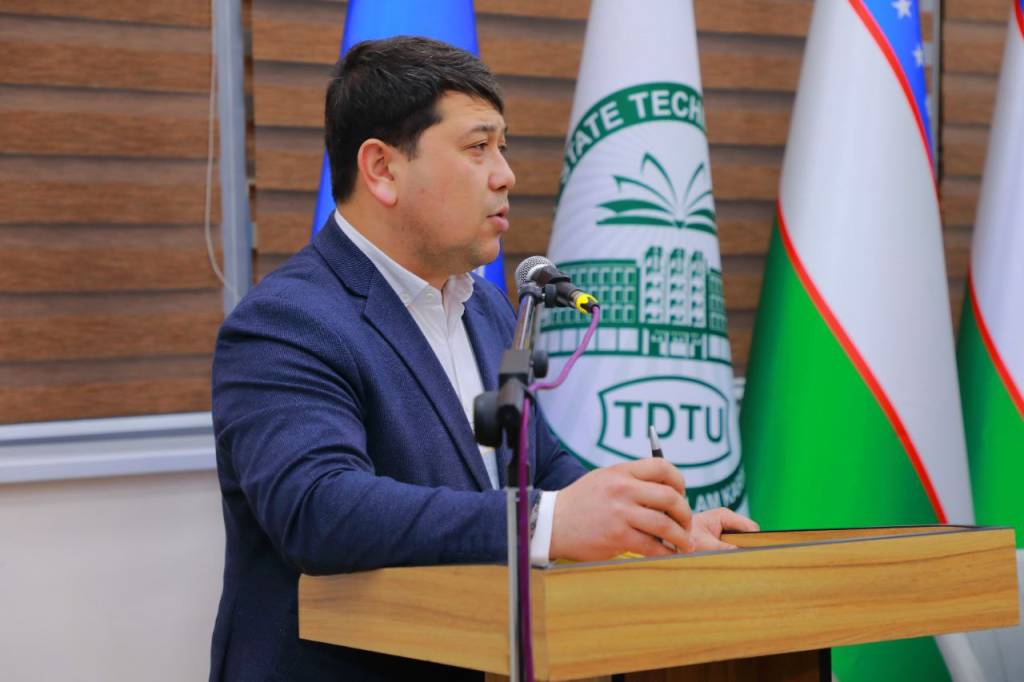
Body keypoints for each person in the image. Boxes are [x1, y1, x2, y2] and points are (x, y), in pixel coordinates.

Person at [209, 36, 757, 681]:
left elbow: (540, 467)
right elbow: (320, 510)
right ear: (382, 169)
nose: (505, 175)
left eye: (503, 147)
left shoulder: (487, 308)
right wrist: (546, 521)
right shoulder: (287, 322)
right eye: (478, 147)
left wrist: (653, 529)